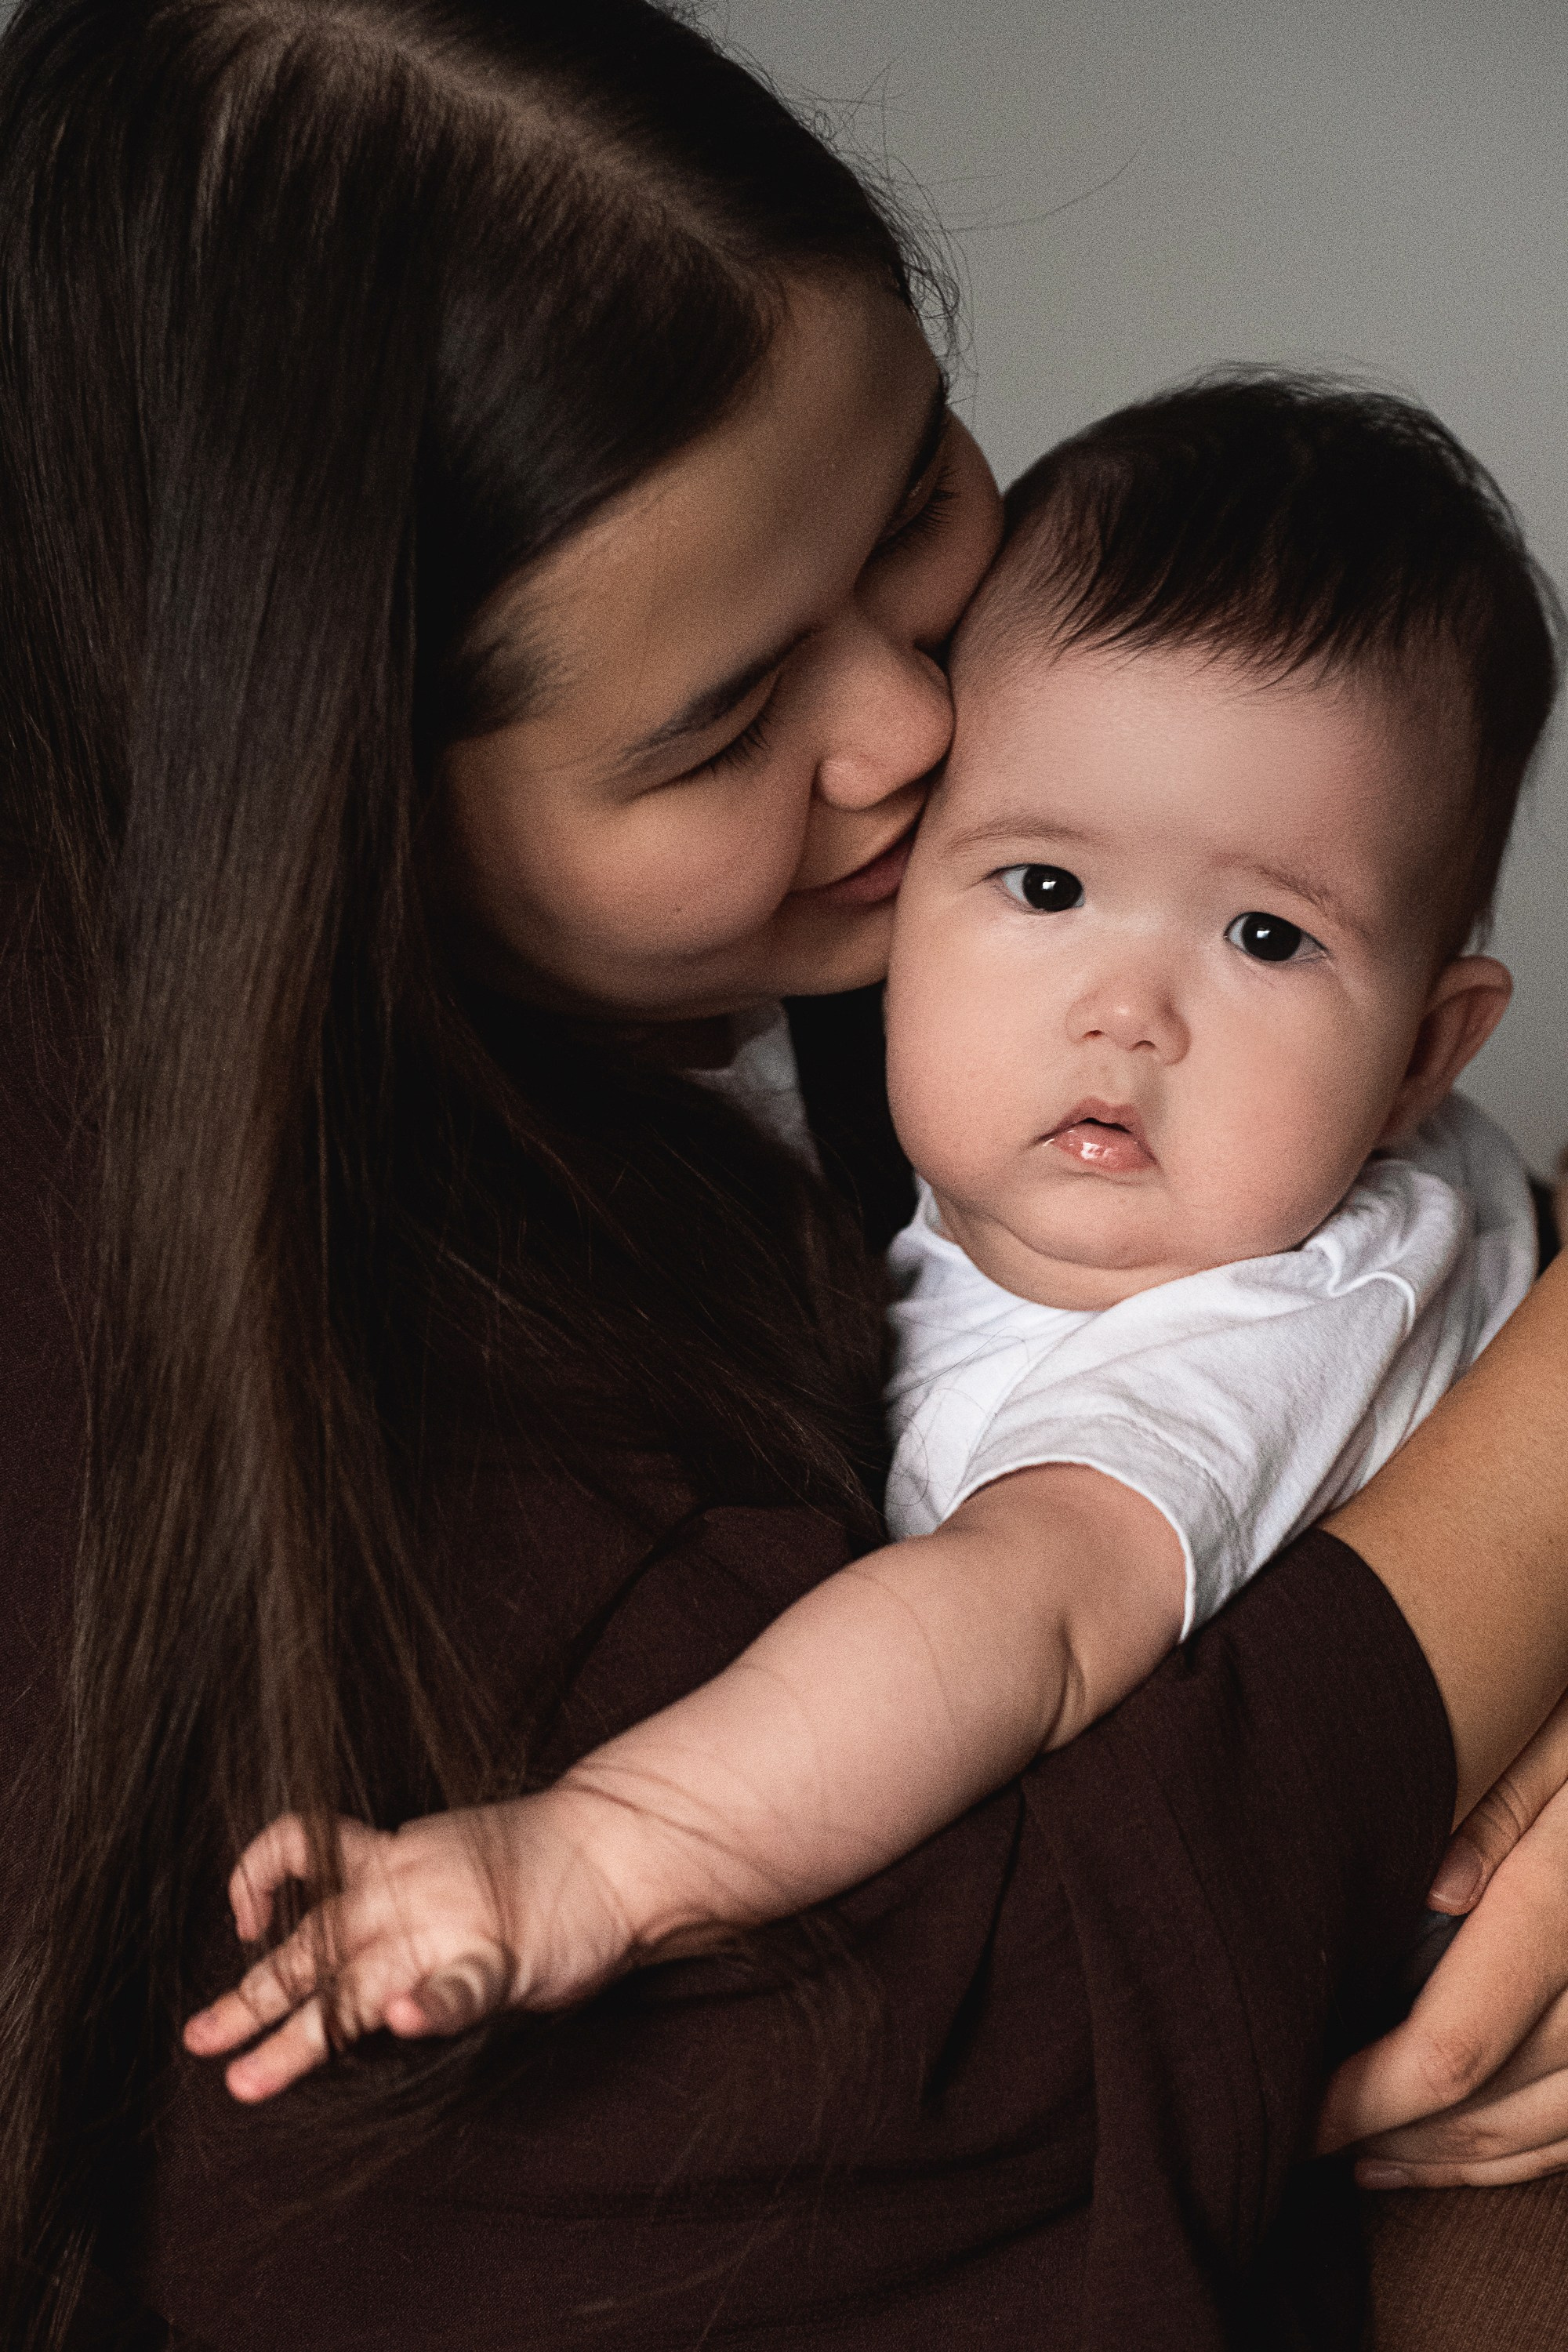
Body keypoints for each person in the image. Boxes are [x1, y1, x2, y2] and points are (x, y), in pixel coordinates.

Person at [1, 4, 1567, 2348]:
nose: (920, 728)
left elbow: (1077, 1584)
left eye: (918, 495)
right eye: (729, 720)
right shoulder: (213, 1318)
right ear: (334, 820)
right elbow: (903, 2102)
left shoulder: (1073, 1070)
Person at [180, 374, 1555, 2089]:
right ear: (903, 887)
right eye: (1045, 887)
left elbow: (1014, 1622)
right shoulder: (939, 1133)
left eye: (1267, 938)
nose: (1127, 1012)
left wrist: (601, 1854)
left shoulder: (1263, 1318)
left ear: (1425, 1051)